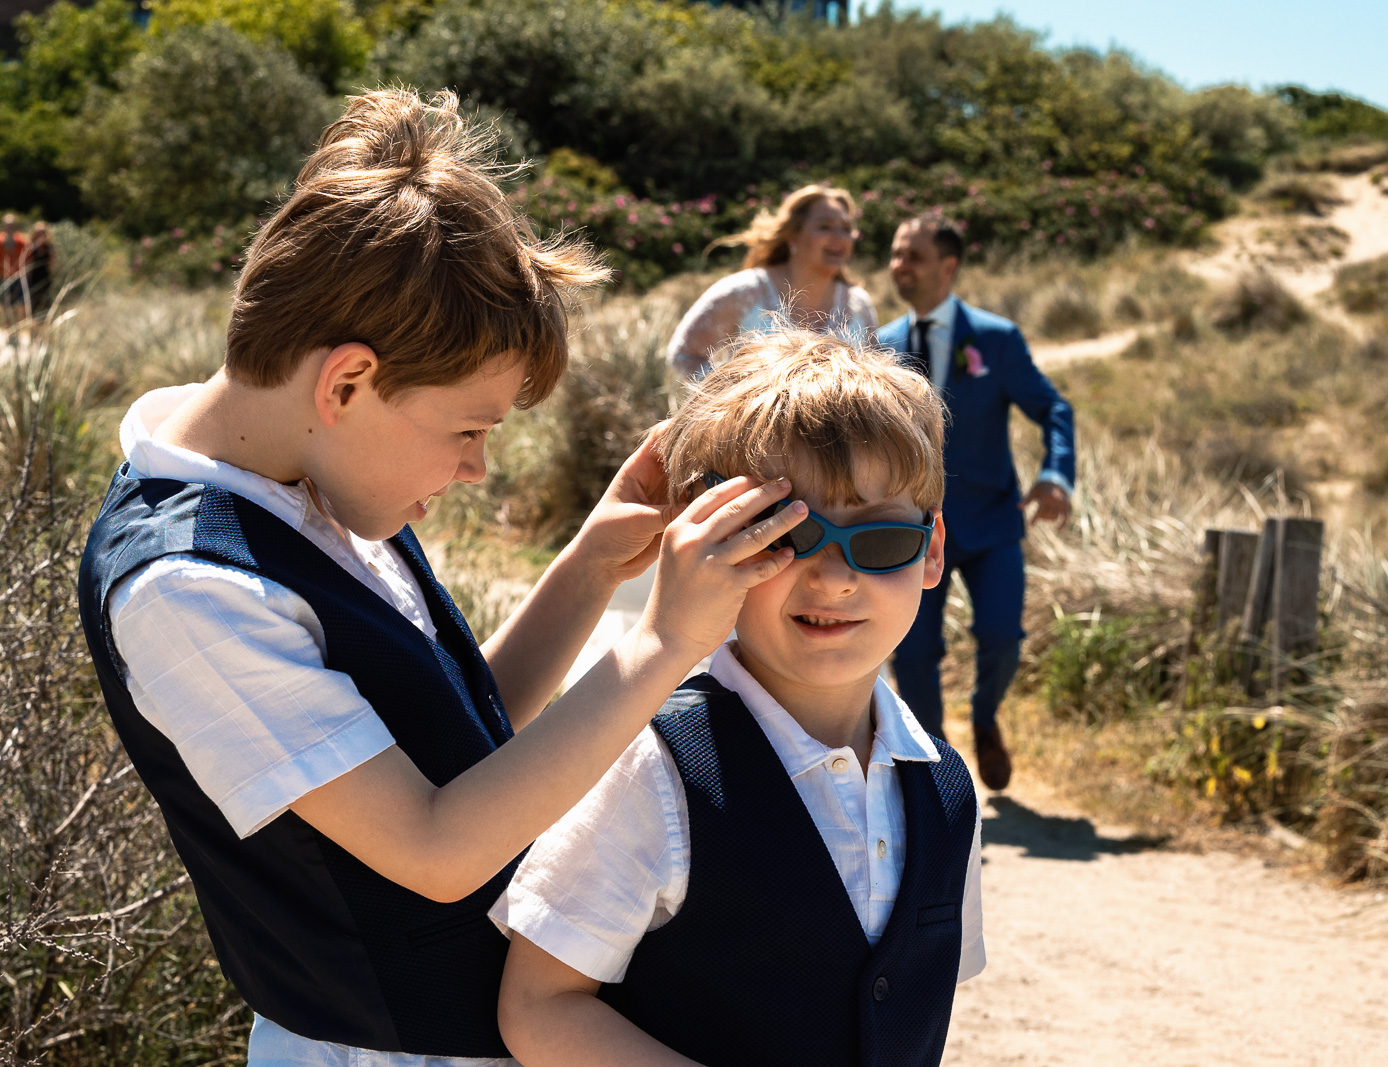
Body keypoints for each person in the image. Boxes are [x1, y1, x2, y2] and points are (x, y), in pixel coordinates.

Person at [76, 89, 810, 1067]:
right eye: (468, 429)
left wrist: (589, 568)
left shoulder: (308, 475)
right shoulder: (185, 586)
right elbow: (434, 845)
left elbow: (457, 748)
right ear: (345, 382)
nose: (474, 468)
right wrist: (660, 641)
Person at [494, 333, 984, 1067]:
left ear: (932, 549)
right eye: (784, 536)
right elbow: (537, 1005)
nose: (834, 578)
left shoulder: (944, 786)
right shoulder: (652, 764)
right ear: (708, 541)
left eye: (879, 542)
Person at [878, 216, 1075, 792]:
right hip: (911, 527)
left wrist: (1056, 475)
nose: (899, 266)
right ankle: (935, 769)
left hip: (992, 522)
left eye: (912, 255)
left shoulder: (997, 339)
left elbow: (1054, 410)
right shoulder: (881, 344)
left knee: (1001, 637)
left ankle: (986, 718)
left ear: (948, 266)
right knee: (912, 654)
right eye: (894, 254)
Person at [666, 184, 877, 379]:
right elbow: (683, 355)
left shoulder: (860, 305)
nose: (839, 237)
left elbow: (874, 379)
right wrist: (735, 400)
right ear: (792, 236)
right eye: (825, 227)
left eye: (847, 229)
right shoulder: (743, 292)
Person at [0, 213, 28, 328]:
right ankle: (8, 327)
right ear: (3, 226)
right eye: (7, 225)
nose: (10, 228)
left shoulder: (21, 241)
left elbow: (27, 258)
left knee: (19, 303)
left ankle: (18, 327)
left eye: (12, 226)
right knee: (5, 305)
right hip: (1, 276)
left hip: (17, 276)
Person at [22, 220, 55, 321]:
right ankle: (33, 332)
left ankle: (44, 330)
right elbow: (25, 262)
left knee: (45, 305)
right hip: (32, 280)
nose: (41, 235)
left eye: (43, 232)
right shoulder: (30, 247)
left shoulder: (49, 247)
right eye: (38, 232)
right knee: (32, 306)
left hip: (45, 279)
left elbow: (52, 265)